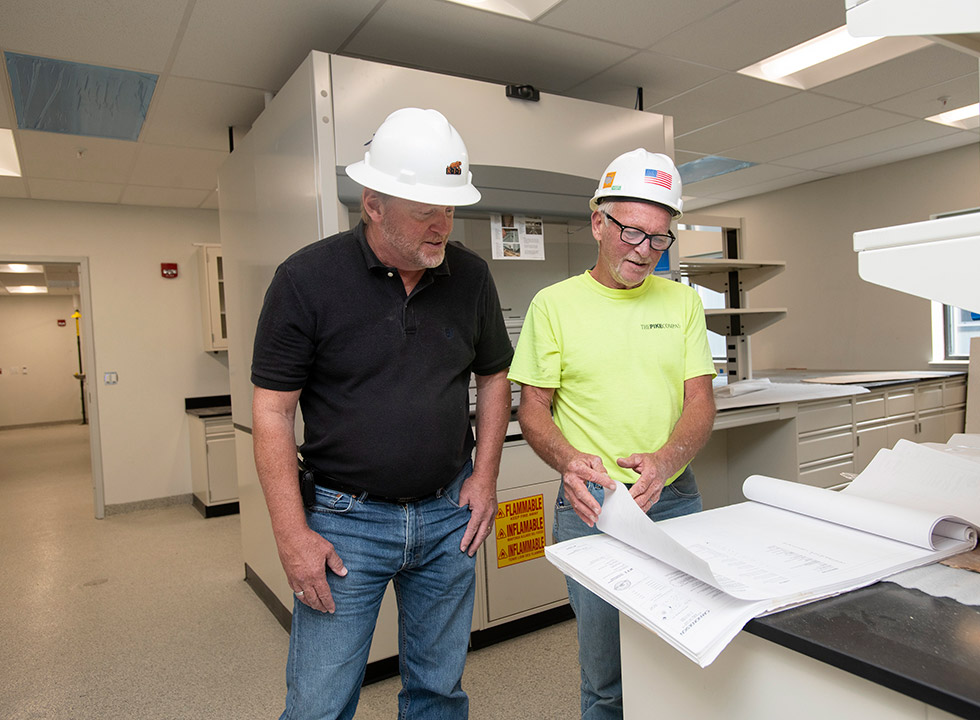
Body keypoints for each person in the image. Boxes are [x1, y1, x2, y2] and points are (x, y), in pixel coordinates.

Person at [251, 107, 513, 720]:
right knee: (319, 702)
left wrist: (485, 475)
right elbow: (272, 413)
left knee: (437, 691)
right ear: (373, 204)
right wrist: (291, 535)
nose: (442, 226)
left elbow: (494, 373)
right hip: (345, 525)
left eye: (450, 209)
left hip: (448, 516)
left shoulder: (470, 276)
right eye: (426, 211)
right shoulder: (306, 279)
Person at [508, 148, 717, 719]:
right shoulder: (553, 306)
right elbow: (533, 409)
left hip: (673, 497)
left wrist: (668, 458)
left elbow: (700, 400)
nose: (643, 250)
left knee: (690, 654)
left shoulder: (682, 302)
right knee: (608, 678)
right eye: (630, 231)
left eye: (658, 237)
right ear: (598, 221)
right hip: (592, 506)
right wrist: (571, 461)